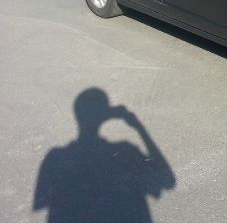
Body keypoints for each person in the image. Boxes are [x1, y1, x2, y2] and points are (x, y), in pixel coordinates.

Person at [33, 88, 175, 223]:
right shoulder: (125, 153)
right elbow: (168, 180)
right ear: (105, 114)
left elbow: (44, 204)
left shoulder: (56, 158)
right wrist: (138, 126)